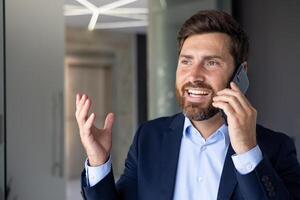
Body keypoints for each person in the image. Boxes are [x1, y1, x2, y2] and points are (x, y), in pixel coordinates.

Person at [75, 10, 300, 200]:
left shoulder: (275, 148)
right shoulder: (149, 137)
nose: (194, 75)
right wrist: (98, 162)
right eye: (186, 61)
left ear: (241, 73)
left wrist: (248, 152)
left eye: (211, 62)